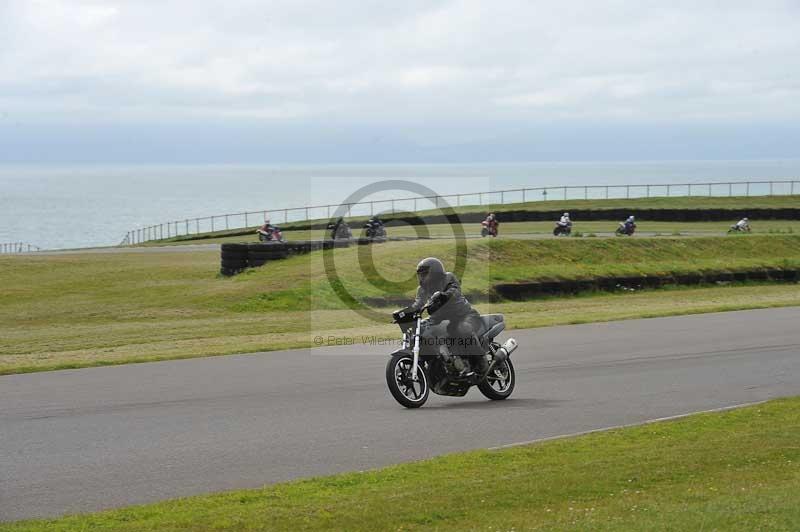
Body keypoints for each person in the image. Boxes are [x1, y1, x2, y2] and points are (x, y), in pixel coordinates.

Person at [400, 257, 486, 377]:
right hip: (439, 320)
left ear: (435, 273)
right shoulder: (422, 289)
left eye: (425, 274)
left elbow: (455, 290)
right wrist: (403, 314)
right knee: (421, 332)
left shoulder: (448, 278)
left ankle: (481, 360)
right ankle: (440, 364)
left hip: (463, 316)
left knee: (462, 329)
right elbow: (418, 304)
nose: (422, 278)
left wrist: (444, 295)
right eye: (420, 275)